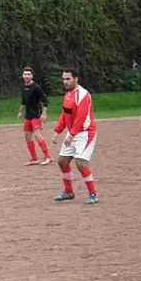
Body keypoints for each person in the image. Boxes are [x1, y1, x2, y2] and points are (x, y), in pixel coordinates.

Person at [51, 68, 98, 204]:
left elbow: (81, 118)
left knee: (81, 162)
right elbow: (64, 115)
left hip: (85, 133)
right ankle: (68, 192)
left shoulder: (84, 95)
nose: (65, 81)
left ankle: (93, 194)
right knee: (62, 161)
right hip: (73, 133)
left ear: (76, 79)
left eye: (68, 79)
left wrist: (71, 134)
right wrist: (57, 131)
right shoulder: (68, 95)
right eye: (63, 79)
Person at [18, 66, 52, 166]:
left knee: (37, 135)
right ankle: (34, 159)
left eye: (28, 74)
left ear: (32, 76)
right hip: (28, 116)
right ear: (22, 76)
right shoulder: (24, 87)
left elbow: (45, 100)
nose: (27, 76)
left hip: (36, 115)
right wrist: (20, 112)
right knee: (27, 137)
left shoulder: (36, 87)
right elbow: (23, 102)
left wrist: (44, 113)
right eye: (25, 74)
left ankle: (48, 157)